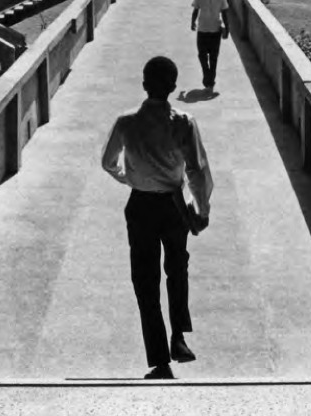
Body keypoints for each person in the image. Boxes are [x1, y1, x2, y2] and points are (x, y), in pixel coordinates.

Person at [101, 56, 214, 380]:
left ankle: (159, 359)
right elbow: (197, 171)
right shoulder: (184, 122)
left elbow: (108, 162)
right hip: (174, 205)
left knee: (145, 280)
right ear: (173, 86)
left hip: (140, 206)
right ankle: (179, 336)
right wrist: (202, 210)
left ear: (144, 84)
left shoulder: (126, 123)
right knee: (177, 270)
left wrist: (130, 178)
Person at [190, 0, 230, 90]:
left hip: (202, 29)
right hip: (215, 30)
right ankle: (210, 80)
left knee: (202, 55)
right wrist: (227, 29)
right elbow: (225, 14)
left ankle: (206, 74)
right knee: (213, 56)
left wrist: (192, 23)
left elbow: (195, 11)